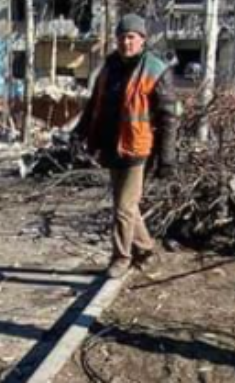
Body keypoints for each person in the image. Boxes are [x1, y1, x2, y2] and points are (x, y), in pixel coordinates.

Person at [75, 14, 179, 279]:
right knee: (127, 206)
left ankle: (121, 258)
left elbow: (168, 118)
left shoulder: (155, 69)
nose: (126, 42)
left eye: (131, 37)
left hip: (138, 148)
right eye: (121, 37)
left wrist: (167, 158)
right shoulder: (109, 67)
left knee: (123, 207)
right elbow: (93, 105)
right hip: (112, 146)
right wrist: (79, 133)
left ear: (142, 39)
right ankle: (146, 250)